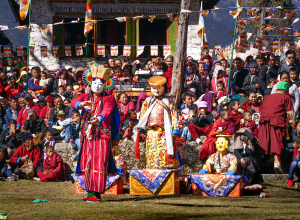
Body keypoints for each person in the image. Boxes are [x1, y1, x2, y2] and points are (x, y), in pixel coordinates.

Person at [71, 64, 120, 202]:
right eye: (95, 82)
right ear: (90, 83)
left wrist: (98, 119)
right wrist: (81, 105)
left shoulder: (109, 99)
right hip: (88, 134)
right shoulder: (86, 96)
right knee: (88, 162)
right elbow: (73, 102)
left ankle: (96, 193)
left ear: (105, 85)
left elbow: (106, 111)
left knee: (99, 163)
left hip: (102, 135)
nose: (97, 85)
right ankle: (91, 193)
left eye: (101, 83)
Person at [133, 76, 181, 169]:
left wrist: (175, 130)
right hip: (151, 132)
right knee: (152, 154)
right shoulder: (147, 101)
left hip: (165, 132)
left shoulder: (169, 101)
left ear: (163, 87)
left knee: (166, 154)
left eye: (159, 87)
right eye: (154, 88)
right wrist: (142, 130)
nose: (156, 90)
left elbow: (174, 115)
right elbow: (143, 116)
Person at [259, 81, 296, 173]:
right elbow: (290, 114)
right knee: (277, 142)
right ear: (285, 90)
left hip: (264, 122)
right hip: (276, 121)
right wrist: (293, 125)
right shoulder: (285, 97)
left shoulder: (267, 97)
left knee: (267, 142)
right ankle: (277, 162)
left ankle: (267, 163)